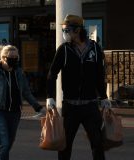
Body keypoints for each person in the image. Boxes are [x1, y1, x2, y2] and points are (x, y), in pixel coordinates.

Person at [46, 14, 111, 160]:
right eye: (64, 29)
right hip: (70, 106)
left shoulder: (95, 48)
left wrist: (104, 97)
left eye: (66, 30)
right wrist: (50, 96)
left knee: (97, 143)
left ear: (77, 30)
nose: (64, 33)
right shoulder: (63, 50)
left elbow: (99, 76)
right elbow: (52, 74)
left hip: (90, 105)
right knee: (65, 145)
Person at [0, 45, 46, 160]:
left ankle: (0, 158)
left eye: (16, 57)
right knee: (5, 142)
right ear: (3, 57)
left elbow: (26, 92)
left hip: (15, 112)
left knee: (10, 141)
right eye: (11, 57)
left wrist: (38, 107)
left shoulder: (19, 72)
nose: (14, 59)